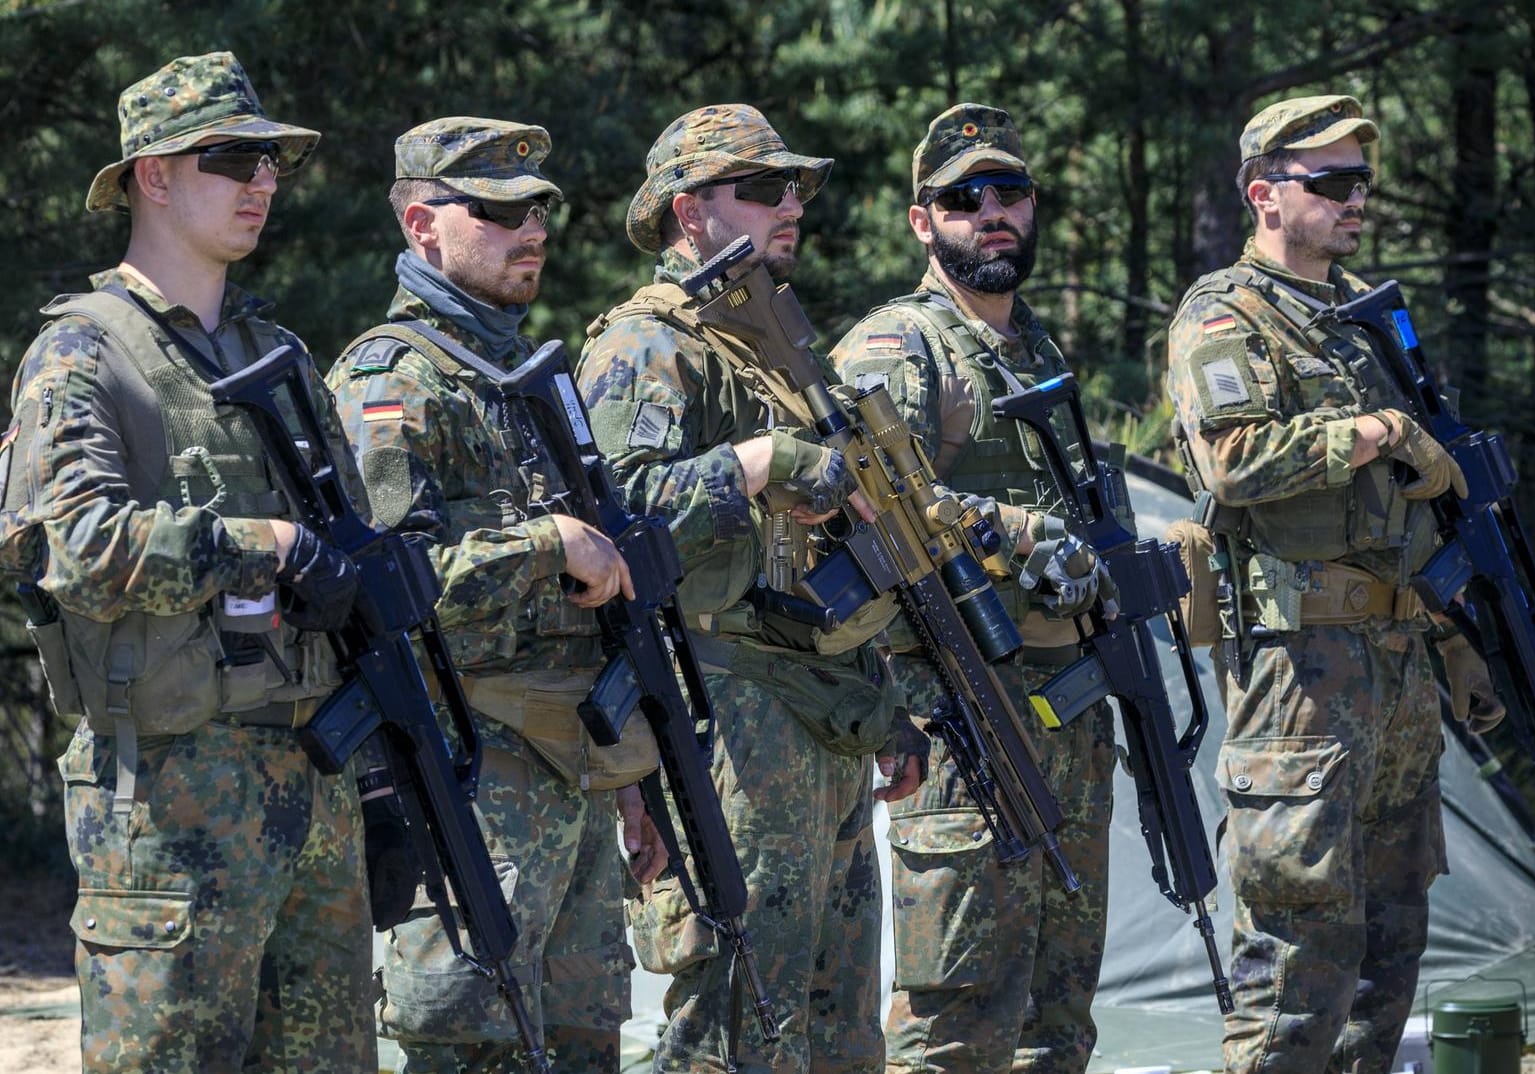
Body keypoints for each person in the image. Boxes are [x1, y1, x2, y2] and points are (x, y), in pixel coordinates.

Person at [1, 52, 373, 1072]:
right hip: (170, 804)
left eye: (272, 163)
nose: (263, 181)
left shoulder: (282, 356)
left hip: (316, 783)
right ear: (152, 177)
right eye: (232, 158)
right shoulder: (85, 353)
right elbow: (75, 547)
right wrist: (266, 544)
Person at [1163, 94, 1506, 1074]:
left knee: (1388, 944)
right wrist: (1377, 433)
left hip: (1396, 666)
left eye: (1364, 182)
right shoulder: (1225, 313)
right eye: (1332, 182)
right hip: (1300, 672)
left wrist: (1454, 640)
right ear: (1265, 195)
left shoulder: (1363, 324)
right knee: (1296, 952)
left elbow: (1405, 520)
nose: (1356, 199)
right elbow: (1230, 460)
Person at [572, 103, 918, 1074]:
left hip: (818, 707)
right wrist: (758, 464)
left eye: (797, 188)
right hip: (724, 708)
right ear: (689, 212)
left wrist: (883, 701)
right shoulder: (650, 347)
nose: (791, 206)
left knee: (838, 1024)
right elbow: (615, 522)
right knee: (734, 1020)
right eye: (764, 189)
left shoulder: (773, 348)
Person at [324, 117, 664, 1074]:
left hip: (576, 775)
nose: (533, 230)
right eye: (503, 209)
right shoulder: (392, 379)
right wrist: (546, 541)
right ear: (424, 224)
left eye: (540, 208)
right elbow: (390, 584)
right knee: (472, 1051)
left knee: (589, 1043)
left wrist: (627, 771)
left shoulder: (528, 377)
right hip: (470, 785)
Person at [827, 103, 1117, 1074]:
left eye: (1010, 193)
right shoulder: (898, 345)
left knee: (1056, 1013)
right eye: (963, 199)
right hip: (962, 721)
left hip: (1068, 708)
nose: (992, 213)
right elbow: (865, 490)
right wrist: (1010, 531)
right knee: (957, 1024)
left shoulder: (1035, 350)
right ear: (923, 221)